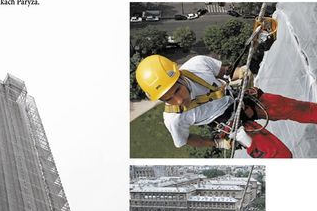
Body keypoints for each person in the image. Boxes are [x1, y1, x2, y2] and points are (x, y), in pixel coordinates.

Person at [135, 53, 317, 158]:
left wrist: (242, 72)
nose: (179, 101)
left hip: (241, 100)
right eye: (168, 99)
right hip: (231, 125)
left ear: (179, 76)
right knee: (279, 157)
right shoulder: (174, 119)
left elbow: (226, 73)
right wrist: (217, 142)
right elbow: (186, 140)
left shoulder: (198, 64)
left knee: (296, 108)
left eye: (177, 91)